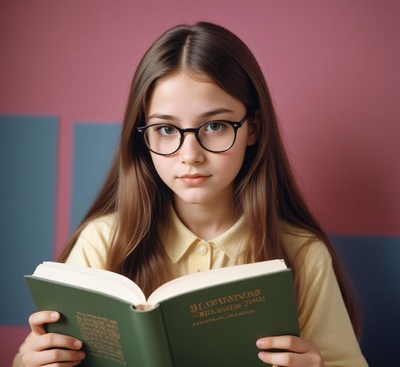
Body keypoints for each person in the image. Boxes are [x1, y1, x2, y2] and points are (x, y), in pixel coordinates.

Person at [13, 21, 368, 367]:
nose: (190, 154)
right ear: (143, 137)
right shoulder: (103, 242)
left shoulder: (303, 256)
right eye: (166, 129)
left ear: (253, 129)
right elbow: (41, 354)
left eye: (214, 126)